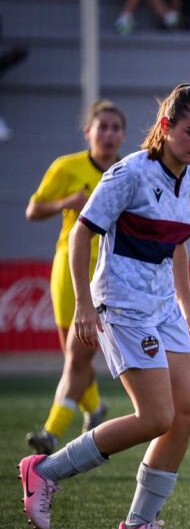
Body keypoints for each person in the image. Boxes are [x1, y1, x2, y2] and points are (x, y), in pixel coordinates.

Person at [19, 84, 190, 529]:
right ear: (166, 125)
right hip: (123, 304)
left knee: (185, 414)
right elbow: (81, 236)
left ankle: (137, 526)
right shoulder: (129, 173)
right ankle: (44, 471)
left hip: (163, 307)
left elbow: (178, 246)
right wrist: (85, 308)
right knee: (155, 417)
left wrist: (188, 309)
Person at [24, 101, 127, 456]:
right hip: (68, 267)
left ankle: (51, 432)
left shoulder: (129, 172)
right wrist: (67, 201)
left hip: (108, 276)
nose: (109, 134)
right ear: (88, 132)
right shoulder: (67, 167)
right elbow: (33, 209)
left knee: (77, 355)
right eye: (103, 127)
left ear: (124, 134)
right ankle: (94, 408)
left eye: (116, 128)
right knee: (74, 352)